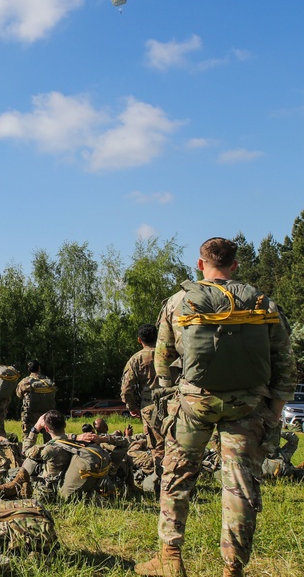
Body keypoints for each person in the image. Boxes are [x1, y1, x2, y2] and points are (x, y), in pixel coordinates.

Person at [136, 237, 296, 577]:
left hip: (195, 403)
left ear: (200, 264)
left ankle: (170, 556)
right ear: (235, 265)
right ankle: (232, 568)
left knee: (177, 473)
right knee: (239, 484)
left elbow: (163, 362)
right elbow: (284, 361)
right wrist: (276, 408)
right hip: (247, 406)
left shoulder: (179, 301)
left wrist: (171, 399)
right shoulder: (262, 302)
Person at [121, 324, 164, 481]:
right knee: (178, 444)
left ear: (139, 340)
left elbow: (127, 389)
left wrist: (132, 407)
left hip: (151, 407)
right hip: (176, 404)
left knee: (158, 447)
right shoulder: (171, 354)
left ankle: (163, 485)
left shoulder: (136, 359)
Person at [16, 360, 57, 443]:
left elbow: (19, 395)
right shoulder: (48, 381)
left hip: (30, 413)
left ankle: (28, 453)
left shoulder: (25, 381)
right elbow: (53, 394)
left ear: (29, 369)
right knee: (49, 436)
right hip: (47, 413)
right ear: (39, 368)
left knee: (28, 436)